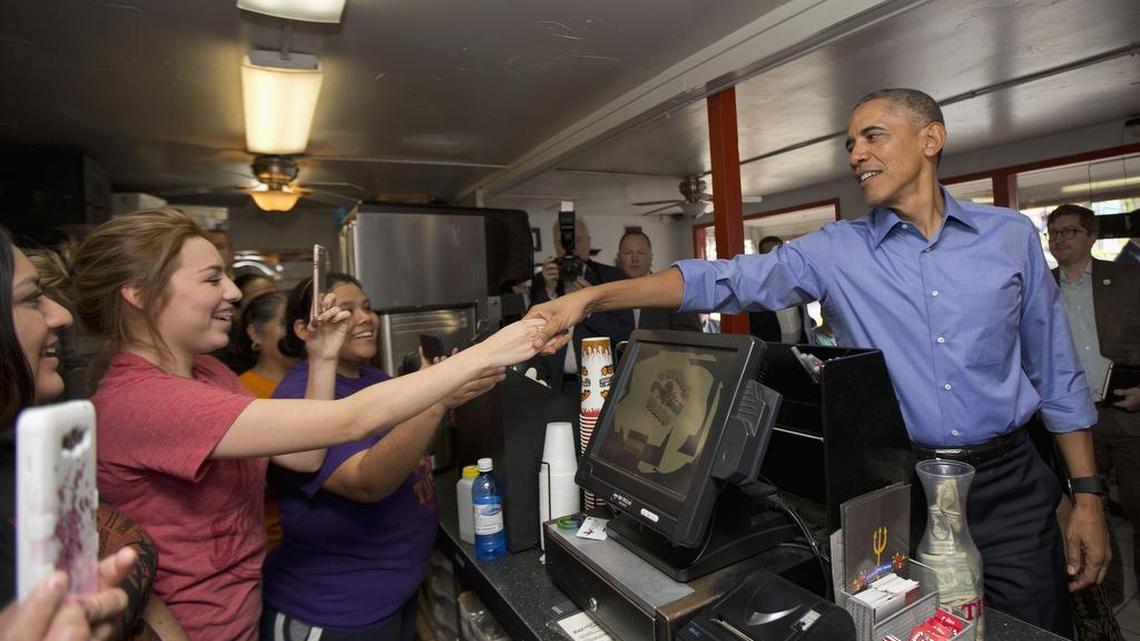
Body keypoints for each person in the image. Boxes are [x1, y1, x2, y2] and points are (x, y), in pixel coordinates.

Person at [526, 88, 1109, 637]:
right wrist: (591, 296)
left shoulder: (1009, 237)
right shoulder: (835, 250)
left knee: (1031, 623)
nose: (856, 154)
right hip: (897, 488)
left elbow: (1056, 372)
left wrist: (1086, 496)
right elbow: (722, 280)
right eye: (850, 143)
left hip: (1008, 483)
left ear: (931, 139)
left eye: (873, 136)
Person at [69, 209, 543, 641]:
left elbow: (305, 454)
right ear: (138, 294)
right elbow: (349, 421)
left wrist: (321, 358)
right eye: (213, 279)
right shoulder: (144, 401)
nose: (233, 292)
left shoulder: (208, 372)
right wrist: (492, 349)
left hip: (241, 614)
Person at [260, 273, 497, 641]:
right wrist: (437, 400)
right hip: (334, 614)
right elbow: (366, 482)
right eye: (346, 310)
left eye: (367, 307)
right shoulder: (299, 398)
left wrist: (431, 389)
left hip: (391, 599)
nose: (365, 318)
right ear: (306, 329)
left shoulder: (372, 377)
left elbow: (416, 449)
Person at [0, 226, 169, 641]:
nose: (61, 315)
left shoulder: (21, 449)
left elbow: (146, 601)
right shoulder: (140, 394)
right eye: (29, 298)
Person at [1047, 204, 1140, 596]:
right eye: (1054, 233)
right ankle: (1109, 591)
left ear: (1091, 237)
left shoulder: (1128, 278)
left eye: (1069, 231)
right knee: (1090, 509)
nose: (1060, 239)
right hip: (1071, 422)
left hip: (1126, 413)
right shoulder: (1040, 286)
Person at [530, 215, 631, 395]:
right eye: (564, 242)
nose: (571, 247)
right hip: (556, 384)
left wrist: (592, 307)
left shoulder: (612, 278)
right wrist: (550, 291)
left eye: (576, 240)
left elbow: (625, 333)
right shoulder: (543, 280)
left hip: (601, 386)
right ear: (555, 245)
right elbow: (532, 330)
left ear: (588, 242)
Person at [614, 230, 701, 332]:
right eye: (628, 253)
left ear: (651, 257)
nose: (634, 258)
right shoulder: (611, 294)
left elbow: (692, 336)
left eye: (640, 253)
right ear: (619, 257)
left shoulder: (674, 292)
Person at [747, 236, 811, 344]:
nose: (775, 259)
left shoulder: (798, 287)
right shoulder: (755, 295)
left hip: (797, 353)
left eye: (778, 253)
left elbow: (806, 326)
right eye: (769, 255)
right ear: (762, 259)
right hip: (769, 355)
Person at [233, 292, 294, 398]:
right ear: (255, 334)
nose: (296, 333)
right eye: (285, 324)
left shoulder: (319, 378)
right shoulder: (243, 391)